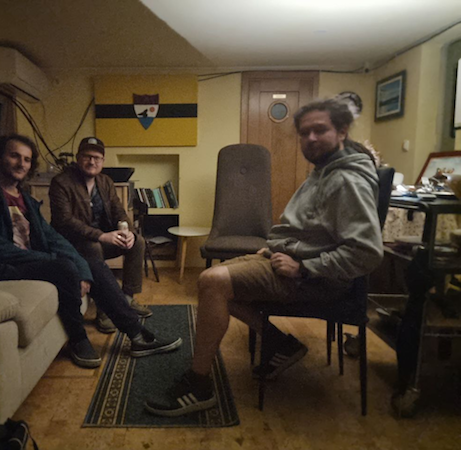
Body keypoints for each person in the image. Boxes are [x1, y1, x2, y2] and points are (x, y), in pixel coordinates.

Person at [144, 98, 384, 417]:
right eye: (304, 132)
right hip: (286, 260)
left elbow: (367, 252)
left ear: (341, 131)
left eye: (319, 130)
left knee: (212, 280)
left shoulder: (347, 180)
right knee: (215, 287)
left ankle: (198, 386)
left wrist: (304, 267)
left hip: (317, 279)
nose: (310, 139)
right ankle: (281, 345)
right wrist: (273, 248)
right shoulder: (324, 172)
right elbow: (310, 228)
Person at [0, 134, 182, 369]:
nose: (21, 164)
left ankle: (136, 334)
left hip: (27, 261)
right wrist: (60, 259)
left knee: (91, 263)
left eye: (27, 159)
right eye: (14, 156)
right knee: (65, 266)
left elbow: (50, 237)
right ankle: (78, 339)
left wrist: (86, 264)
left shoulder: (25, 198)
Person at [49, 137, 151, 334]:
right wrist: (101, 236)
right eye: (87, 156)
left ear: (103, 161)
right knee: (93, 246)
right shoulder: (61, 182)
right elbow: (65, 221)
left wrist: (126, 231)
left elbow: (118, 210)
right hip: (74, 244)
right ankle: (105, 310)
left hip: (102, 238)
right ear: (78, 158)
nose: (92, 162)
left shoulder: (105, 181)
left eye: (97, 158)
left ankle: (127, 299)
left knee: (137, 242)